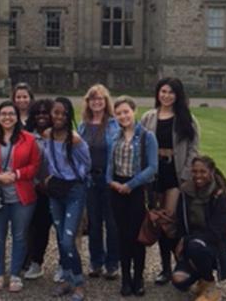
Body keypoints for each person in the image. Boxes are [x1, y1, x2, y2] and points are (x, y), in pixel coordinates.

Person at [140, 78, 200, 285]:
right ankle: (165, 268)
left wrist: (185, 175)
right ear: (157, 93)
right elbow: (138, 144)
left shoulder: (187, 119)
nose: (166, 95)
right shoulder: (148, 117)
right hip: (154, 174)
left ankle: (180, 264)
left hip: (174, 174)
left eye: (171, 92)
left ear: (178, 95)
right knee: (157, 222)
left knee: (169, 222)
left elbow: (194, 149)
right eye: (163, 91)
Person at [0, 101, 41, 293]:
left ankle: (14, 274)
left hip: (21, 196)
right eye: (3, 114)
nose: (7, 117)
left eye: (11, 114)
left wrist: (17, 175)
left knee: (20, 236)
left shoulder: (29, 139)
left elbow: (34, 165)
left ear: (17, 117)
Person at [41, 97, 91, 301]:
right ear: (51, 114)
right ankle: (67, 279)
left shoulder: (75, 139)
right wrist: (50, 177)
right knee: (61, 239)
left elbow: (86, 163)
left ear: (68, 115)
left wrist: (74, 176)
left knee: (69, 239)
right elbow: (48, 159)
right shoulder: (46, 135)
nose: (59, 116)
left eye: (63, 113)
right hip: (56, 190)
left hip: (73, 191)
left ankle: (79, 283)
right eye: (56, 112)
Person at [107, 96, 158, 296]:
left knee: (136, 236)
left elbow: (153, 168)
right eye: (119, 113)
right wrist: (110, 181)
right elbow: (109, 165)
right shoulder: (114, 136)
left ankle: (138, 278)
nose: (123, 116)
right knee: (122, 236)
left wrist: (130, 185)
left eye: (126, 111)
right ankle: (126, 278)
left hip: (136, 190)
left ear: (134, 111)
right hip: (116, 190)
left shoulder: (147, 136)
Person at [171, 156, 226, 301]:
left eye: (203, 172)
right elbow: (180, 224)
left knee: (196, 246)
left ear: (211, 172)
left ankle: (210, 285)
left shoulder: (220, 195)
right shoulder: (185, 193)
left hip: (215, 246)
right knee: (178, 280)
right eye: (194, 172)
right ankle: (201, 277)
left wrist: (187, 240)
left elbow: (216, 232)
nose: (198, 176)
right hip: (192, 244)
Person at [77, 84, 120, 279]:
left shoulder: (114, 124)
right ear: (88, 102)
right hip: (90, 179)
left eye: (100, 99)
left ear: (105, 102)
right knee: (94, 223)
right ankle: (96, 262)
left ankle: (112, 263)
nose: (96, 102)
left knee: (112, 224)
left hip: (109, 179)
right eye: (93, 99)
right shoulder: (83, 125)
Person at [22, 98, 55, 281]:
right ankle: (34, 261)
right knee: (35, 227)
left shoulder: (59, 134)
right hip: (33, 187)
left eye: (45, 112)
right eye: (37, 113)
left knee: (60, 228)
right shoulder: (27, 135)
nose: (41, 116)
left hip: (56, 188)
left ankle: (63, 265)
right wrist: (36, 182)